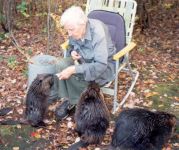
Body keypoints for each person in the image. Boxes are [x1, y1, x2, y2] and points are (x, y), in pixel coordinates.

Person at [55, 6, 116, 119]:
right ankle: (70, 99)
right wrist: (72, 51)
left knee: (74, 74)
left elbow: (100, 65)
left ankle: (83, 104)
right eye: (67, 30)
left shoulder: (97, 32)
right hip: (83, 61)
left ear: (82, 23)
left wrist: (74, 69)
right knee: (60, 65)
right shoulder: (76, 30)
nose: (69, 33)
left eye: (71, 29)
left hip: (102, 68)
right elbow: (71, 46)